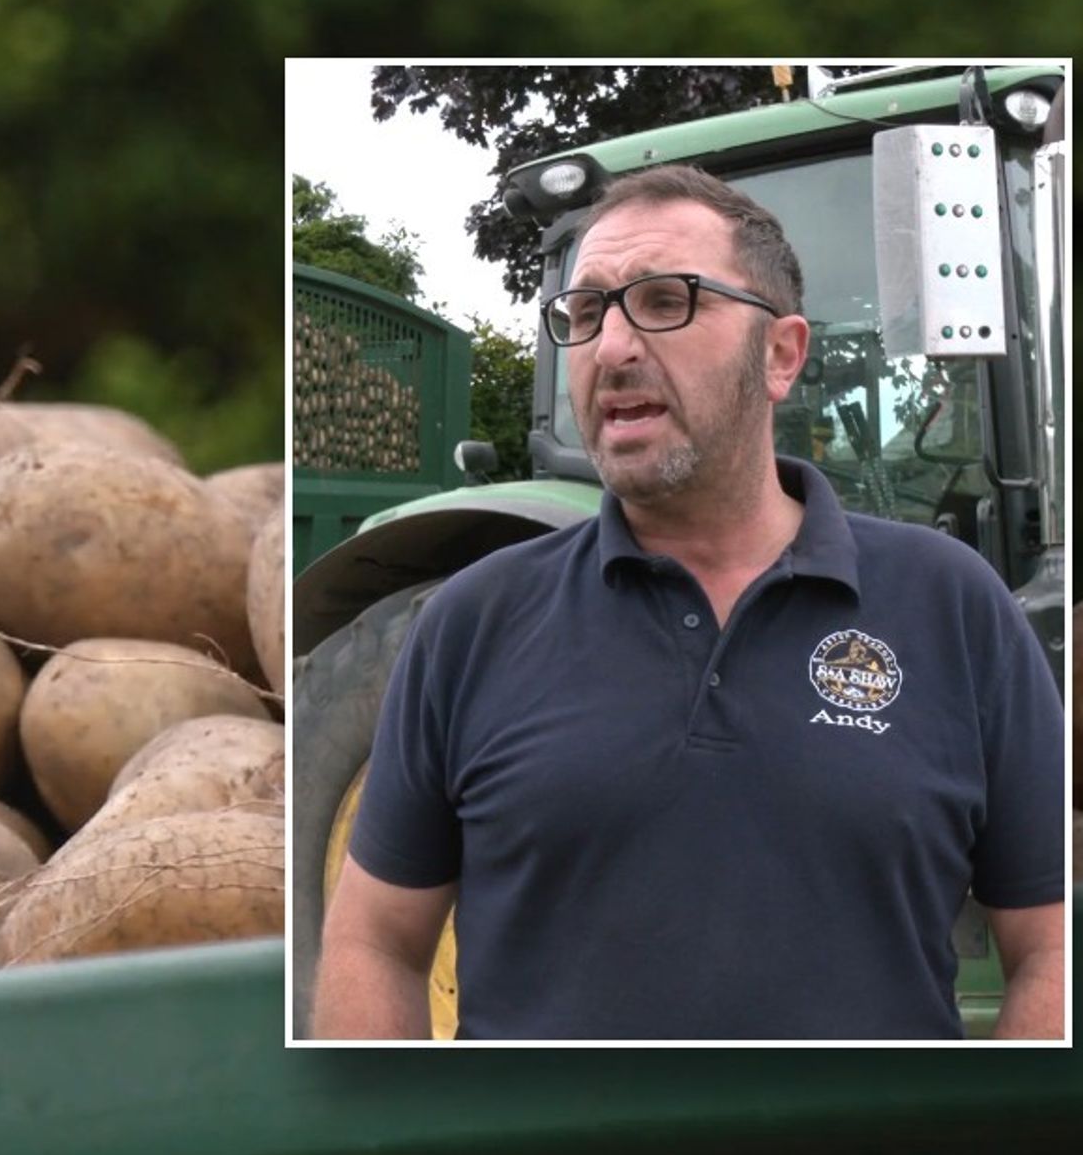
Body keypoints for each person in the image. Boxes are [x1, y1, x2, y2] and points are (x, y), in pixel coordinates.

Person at [311, 165, 1065, 1041]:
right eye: (586, 314)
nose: (613, 348)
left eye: (666, 301)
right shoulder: (470, 624)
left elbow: (1050, 949)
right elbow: (373, 943)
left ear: (781, 354)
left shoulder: (955, 607)